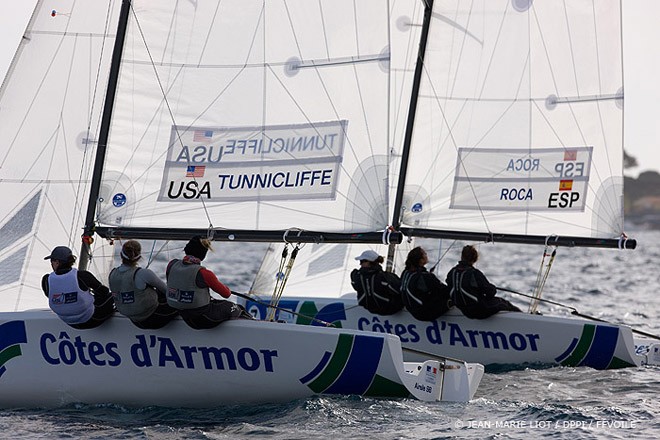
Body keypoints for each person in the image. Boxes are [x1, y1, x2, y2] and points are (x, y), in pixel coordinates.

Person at [166, 236, 252, 329]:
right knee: (236, 308)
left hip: (183, 314)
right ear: (203, 255)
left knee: (216, 303)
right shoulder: (204, 273)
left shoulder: (172, 264)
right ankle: (253, 325)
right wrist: (226, 289)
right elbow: (226, 294)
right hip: (202, 318)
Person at [108, 240, 179, 329]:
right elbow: (167, 291)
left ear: (121, 255)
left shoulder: (112, 274)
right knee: (182, 302)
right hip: (154, 318)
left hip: (134, 320)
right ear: (139, 257)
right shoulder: (143, 273)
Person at [42, 245, 115, 329]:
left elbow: (51, 295)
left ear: (57, 262)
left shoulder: (46, 280)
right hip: (93, 320)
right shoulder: (82, 275)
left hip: (69, 323)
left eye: (51, 261)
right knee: (113, 295)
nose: (51, 263)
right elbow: (104, 292)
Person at [446, 245, 522, 319]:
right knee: (504, 303)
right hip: (477, 312)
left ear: (462, 257)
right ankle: (524, 318)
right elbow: (490, 292)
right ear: (475, 259)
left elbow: (449, 286)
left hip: (460, 308)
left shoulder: (452, 272)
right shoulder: (475, 273)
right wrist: (492, 288)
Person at [400, 246, 452, 321]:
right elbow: (444, 290)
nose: (426, 254)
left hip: (411, 310)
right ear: (420, 260)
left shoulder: (405, 273)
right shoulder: (425, 276)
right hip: (424, 313)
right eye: (424, 254)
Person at [350, 249, 403, 315]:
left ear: (369, 262)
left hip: (369, 308)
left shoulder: (357, 276)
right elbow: (398, 290)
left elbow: (356, 286)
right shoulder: (384, 277)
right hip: (390, 309)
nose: (360, 264)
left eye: (362, 261)